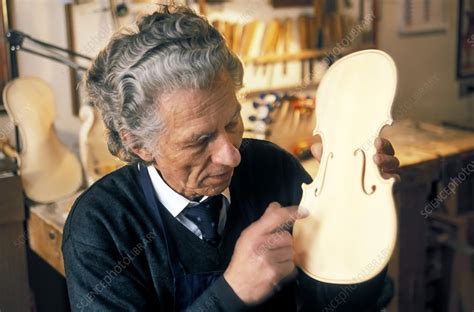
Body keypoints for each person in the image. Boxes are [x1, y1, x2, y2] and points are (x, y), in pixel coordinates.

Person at [62, 6, 400, 312]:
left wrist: (361, 222)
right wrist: (232, 292)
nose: (231, 155)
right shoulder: (101, 225)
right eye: (200, 140)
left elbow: (338, 305)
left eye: (232, 123)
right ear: (138, 145)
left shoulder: (274, 169)